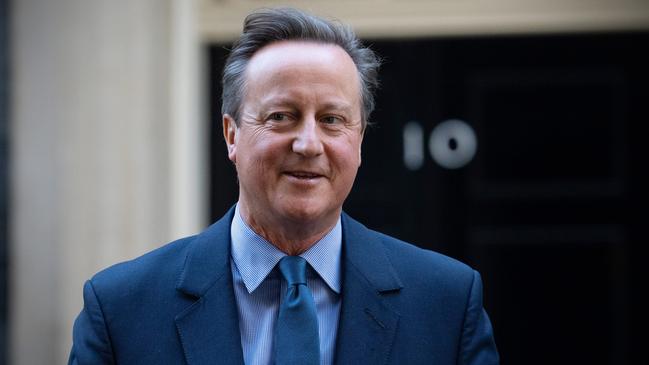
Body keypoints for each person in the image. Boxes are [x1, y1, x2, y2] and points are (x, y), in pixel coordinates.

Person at [69, 7, 499, 365]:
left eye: (332, 120)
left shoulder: (446, 304)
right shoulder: (121, 310)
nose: (309, 144)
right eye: (281, 116)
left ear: (360, 139)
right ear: (231, 134)